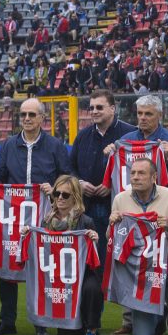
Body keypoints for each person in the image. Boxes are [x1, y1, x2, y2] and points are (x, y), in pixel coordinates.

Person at [0, 98, 70, 335]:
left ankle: (40, 321)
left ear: (42, 118)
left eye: (32, 114)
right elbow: (0, 176)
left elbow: (67, 177)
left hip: (45, 215)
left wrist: (55, 189)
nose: (27, 119)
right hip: (13, 216)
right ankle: (7, 321)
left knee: (40, 266)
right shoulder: (9, 144)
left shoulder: (55, 145)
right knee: (8, 265)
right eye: (23, 115)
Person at [110, 158, 168, 335]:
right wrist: (112, 224)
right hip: (137, 267)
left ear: (154, 177)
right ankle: (159, 315)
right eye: (133, 173)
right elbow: (113, 239)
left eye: (141, 173)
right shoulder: (120, 199)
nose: (135, 177)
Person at [33, 175, 103, 335]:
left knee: (92, 287)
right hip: (56, 275)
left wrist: (94, 240)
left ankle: (91, 329)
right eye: (57, 194)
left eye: (66, 195)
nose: (60, 198)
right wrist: (28, 233)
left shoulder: (86, 221)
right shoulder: (46, 221)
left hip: (81, 274)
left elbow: (94, 258)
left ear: (75, 198)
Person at [69, 89, 134, 271]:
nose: (94, 111)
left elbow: (138, 168)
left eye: (99, 107)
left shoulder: (130, 134)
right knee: (88, 258)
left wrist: (112, 184)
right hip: (86, 206)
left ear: (112, 108)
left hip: (118, 208)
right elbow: (69, 168)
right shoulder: (82, 136)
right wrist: (80, 183)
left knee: (118, 259)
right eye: (91, 108)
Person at [117, 95, 168, 187]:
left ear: (160, 115)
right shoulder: (125, 140)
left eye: (148, 114)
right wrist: (108, 156)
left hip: (162, 196)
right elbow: (115, 174)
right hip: (132, 195)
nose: (142, 117)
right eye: (139, 113)